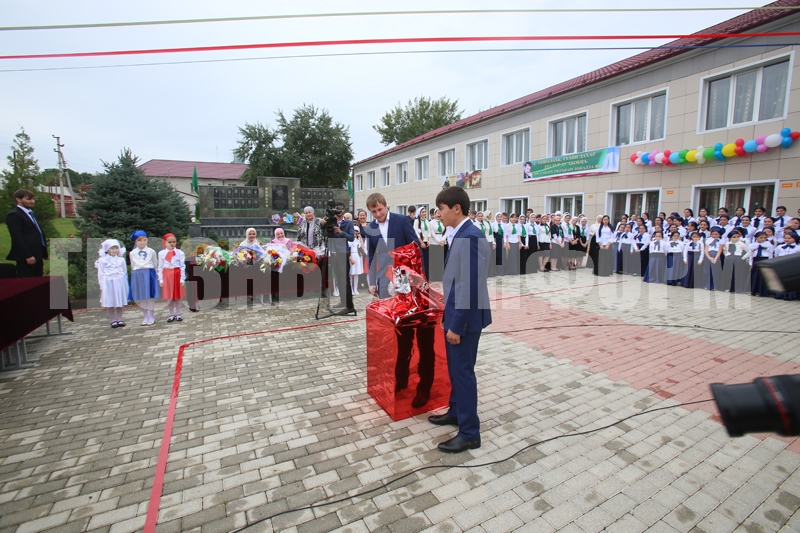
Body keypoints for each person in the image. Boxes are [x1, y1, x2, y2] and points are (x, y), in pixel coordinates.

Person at [428, 186, 491, 454]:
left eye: (441, 209)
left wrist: (457, 325)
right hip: (456, 314)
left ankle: (469, 433)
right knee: (455, 369)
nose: (438, 214)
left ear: (456, 209)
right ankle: (456, 411)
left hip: (465, 319)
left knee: (463, 373)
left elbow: (469, 286)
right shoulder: (460, 233)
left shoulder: (470, 236)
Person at [365, 193, 434, 408]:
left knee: (420, 334)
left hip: (410, 282)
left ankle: (423, 383)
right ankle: (401, 378)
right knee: (398, 335)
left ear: (386, 206)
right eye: (374, 212)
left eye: (380, 210)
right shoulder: (371, 228)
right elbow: (372, 255)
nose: (378, 214)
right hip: (386, 284)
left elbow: (416, 249)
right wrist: (372, 281)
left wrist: (419, 278)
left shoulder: (402, 221)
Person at [5, 189, 47, 277]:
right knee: (27, 282)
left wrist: (44, 252)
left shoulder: (30, 213)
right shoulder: (14, 215)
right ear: (18, 199)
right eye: (28, 199)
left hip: (37, 255)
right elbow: (17, 237)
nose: (32, 201)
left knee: (38, 281)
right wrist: (27, 255)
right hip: (27, 257)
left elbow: (38, 233)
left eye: (33, 199)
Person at [323, 204, 355, 314]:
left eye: (341, 208)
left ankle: (350, 306)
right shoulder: (331, 221)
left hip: (343, 253)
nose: (338, 210)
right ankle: (343, 301)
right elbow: (325, 234)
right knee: (338, 278)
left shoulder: (349, 223)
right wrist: (323, 224)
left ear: (344, 210)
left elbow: (351, 238)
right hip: (333, 252)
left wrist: (341, 232)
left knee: (345, 279)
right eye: (336, 208)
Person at [95, 239, 129, 328]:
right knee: (110, 300)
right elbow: (100, 273)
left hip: (119, 281)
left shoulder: (121, 260)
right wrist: (101, 285)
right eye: (112, 248)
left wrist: (125, 284)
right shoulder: (103, 260)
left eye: (116, 248)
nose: (114, 250)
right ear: (107, 249)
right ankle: (113, 320)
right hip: (108, 282)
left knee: (119, 300)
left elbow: (125, 272)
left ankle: (120, 319)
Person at [129, 230, 159, 326]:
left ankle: (152, 316)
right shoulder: (132, 253)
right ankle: (145, 316)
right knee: (142, 297)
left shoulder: (151, 251)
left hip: (149, 273)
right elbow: (133, 265)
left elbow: (155, 264)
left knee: (150, 297)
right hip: (138, 274)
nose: (142, 242)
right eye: (140, 240)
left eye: (144, 240)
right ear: (135, 242)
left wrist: (156, 275)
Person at [158, 233, 186, 323]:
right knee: (169, 296)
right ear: (165, 243)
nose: (172, 244)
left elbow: (182, 266)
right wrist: (161, 279)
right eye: (169, 242)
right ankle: (171, 314)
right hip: (167, 275)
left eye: (174, 242)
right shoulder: (161, 253)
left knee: (177, 295)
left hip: (176, 274)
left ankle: (178, 313)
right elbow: (160, 267)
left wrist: (182, 279)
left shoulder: (180, 253)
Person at [749, 231, 774, 297]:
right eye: (761, 237)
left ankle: (762, 292)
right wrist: (750, 263)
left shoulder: (769, 245)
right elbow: (751, 255)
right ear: (756, 238)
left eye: (764, 238)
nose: (763, 239)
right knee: (755, 276)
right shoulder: (752, 245)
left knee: (762, 276)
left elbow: (770, 255)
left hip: (764, 260)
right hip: (756, 260)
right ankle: (753, 291)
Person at [414, 206, 433, 279]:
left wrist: (429, 240)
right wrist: (421, 242)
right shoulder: (417, 221)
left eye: (425, 212)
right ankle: (422, 276)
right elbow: (416, 233)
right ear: (419, 213)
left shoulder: (427, 221)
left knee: (428, 260)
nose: (424, 213)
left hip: (427, 242)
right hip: (421, 242)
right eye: (423, 212)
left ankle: (428, 276)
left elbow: (429, 232)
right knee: (422, 260)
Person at [349, 226, 364, 295]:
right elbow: (348, 250)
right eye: (354, 232)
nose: (355, 234)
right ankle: (351, 289)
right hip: (351, 256)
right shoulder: (349, 240)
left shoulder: (358, 240)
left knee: (356, 274)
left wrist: (360, 238)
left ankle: (355, 288)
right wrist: (350, 258)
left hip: (357, 256)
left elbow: (362, 247)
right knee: (351, 274)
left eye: (356, 233)